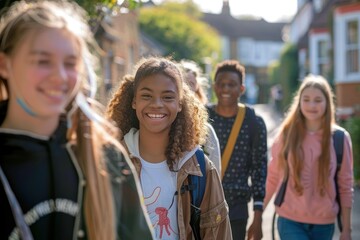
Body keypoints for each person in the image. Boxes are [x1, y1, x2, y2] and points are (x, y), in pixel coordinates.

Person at [0, 1, 153, 239]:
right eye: (42, 61)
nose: (59, 76)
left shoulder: (106, 159)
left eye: (70, 64)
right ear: (4, 65)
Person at [106, 57, 232, 240]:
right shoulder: (111, 161)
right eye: (147, 95)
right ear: (134, 101)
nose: (157, 104)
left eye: (167, 97)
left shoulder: (200, 168)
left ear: (180, 104)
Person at [261, 75, 353, 240]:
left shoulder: (340, 138)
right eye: (307, 99)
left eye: (318, 100)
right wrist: (258, 216)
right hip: (290, 220)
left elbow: (345, 185)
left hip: (325, 224)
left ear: (327, 103)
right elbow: (273, 177)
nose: (312, 105)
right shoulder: (286, 135)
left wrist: (346, 229)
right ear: (299, 102)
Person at [206, 60, 267, 240]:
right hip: (203, 205)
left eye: (231, 85)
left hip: (236, 208)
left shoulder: (253, 122)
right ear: (214, 86)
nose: (225, 89)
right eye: (221, 84)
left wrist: (258, 217)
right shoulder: (201, 118)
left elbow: (259, 169)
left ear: (241, 89)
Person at [180, 59, 221, 174]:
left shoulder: (206, 131)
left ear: (197, 91)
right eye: (182, 83)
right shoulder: (160, 125)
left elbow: (215, 175)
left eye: (191, 84)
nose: (186, 89)